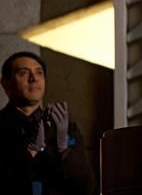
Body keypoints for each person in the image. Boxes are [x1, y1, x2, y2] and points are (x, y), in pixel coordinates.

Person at [0, 52, 95, 195]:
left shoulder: (64, 128)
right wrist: (30, 152)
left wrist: (64, 150)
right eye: (24, 73)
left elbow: (87, 186)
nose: (34, 79)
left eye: (39, 73)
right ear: (6, 83)